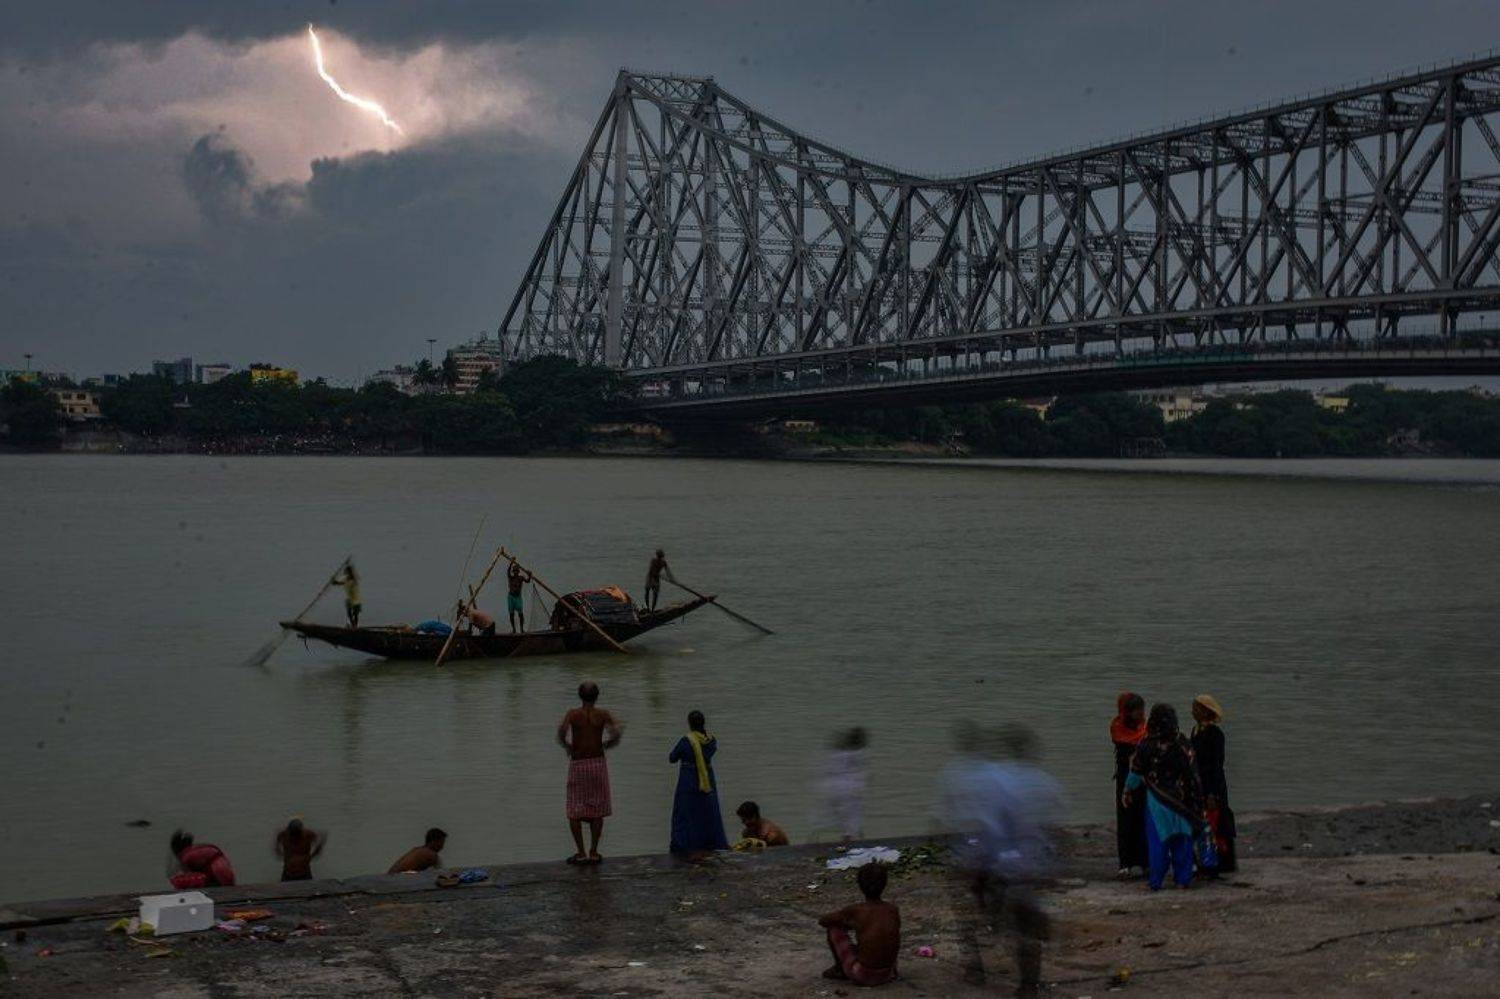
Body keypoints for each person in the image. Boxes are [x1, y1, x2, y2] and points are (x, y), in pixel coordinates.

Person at [941, 723, 1062, 994]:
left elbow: (992, 827)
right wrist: (1053, 866)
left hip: (1005, 865)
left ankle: (980, 967)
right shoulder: (1046, 782)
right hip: (1034, 865)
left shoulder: (997, 781)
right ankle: (1028, 983)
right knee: (1026, 926)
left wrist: (977, 862)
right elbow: (1056, 828)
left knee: (993, 918)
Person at [1123, 704, 1205, 891]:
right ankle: (1182, 881)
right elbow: (1193, 774)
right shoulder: (1183, 743)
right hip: (1183, 802)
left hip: (1157, 803)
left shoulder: (1147, 745)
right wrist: (1198, 802)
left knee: (1158, 843)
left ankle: (1156, 882)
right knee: (1183, 841)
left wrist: (1127, 790)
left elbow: (1136, 771)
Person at [557, 681, 622, 864]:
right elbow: (616, 733)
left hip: (578, 763)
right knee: (597, 808)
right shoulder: (602, 714)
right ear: (597, 696)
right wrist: (608, 744)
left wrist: (568, 746)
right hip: (597, 763)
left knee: (574, 810)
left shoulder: (573, 714)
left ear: (580, 696)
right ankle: (593, 852)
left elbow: (561, 732)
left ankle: (581, 853)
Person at [817, 861, 900, 987]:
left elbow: (823, 921)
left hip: (863, 975)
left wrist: (848, 923)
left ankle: (840, 970)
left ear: (860, 885)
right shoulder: (892, 909)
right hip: (888, 973)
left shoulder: (856, 910)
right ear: (885, 884)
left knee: (834, 928)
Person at [668, 710, 728, 856]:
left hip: (689, 779)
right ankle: (710, 843)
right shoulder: (711, 741)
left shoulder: (687, 741)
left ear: (689, 724)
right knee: (708, 811)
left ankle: (684, 844)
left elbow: (672, 757)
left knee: (685, 812)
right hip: (707, 779)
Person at [1191, 694, 1237, 874]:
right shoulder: (1195, 731)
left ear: (1205, 711)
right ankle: (1207, 859)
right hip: (1200, 782)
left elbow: (1217, 764)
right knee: (1205, 821)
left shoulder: (1215, 734)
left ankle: (1223, 862)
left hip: (1213, 783)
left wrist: (1212, 793)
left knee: (1218, 821)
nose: (1193, 711)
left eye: (1196, 708)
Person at [1110, 692, 1149, 877]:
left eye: (1142, 709)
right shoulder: (1117, 727)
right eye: (1137, 710)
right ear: (1127, 712)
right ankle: (1125, 863)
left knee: (1143, 817)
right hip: (1125, 776)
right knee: (1125, 818)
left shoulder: (1146, 727)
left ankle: (1143, 861)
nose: (1141, 713)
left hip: (1143, 777)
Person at [820, 726, 869, 843]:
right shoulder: (858, 754)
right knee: (852, 817)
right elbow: (859, 773)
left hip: (835, 787)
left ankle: (848, 837)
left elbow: (829, 770)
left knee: (843, 817)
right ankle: (850, 839)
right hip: (850, 788)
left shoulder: (837, 754)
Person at [169, 830, 236, 889]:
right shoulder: (196, 849)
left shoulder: (186, 857)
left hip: (218, 872)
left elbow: (191, 877)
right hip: (224, 869)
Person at [274, 817, 326, 882]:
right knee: (286, 887)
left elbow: (319, 840)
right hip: (288, 872)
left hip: (304, 872)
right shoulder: (283, 835)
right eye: (292, 834)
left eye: (295, 835)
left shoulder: (308, 835)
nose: (294, 837)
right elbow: (277, 849)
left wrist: (310, 857)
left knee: (306, 887)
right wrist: (284, 856)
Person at [332, 563, 361, 627]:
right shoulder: (345, 579)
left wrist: (352, 567)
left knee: (355, 614)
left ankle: (354, 626)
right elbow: (338, 583)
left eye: (348, 573)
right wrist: (333, 581)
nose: (347, 574)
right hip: (349, 600)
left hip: (356, 600)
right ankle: (353, 625)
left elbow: (355, 578)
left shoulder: (354, 580)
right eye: (346, 573)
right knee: (349, 613)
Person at [506, 563, 531, 633]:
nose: (515, 572)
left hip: (518, 598)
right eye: (514, 571)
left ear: (518, 572)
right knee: (511, 614)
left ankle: (521, 629)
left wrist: (529, 575)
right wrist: (511, 563)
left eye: (516, 571)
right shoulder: (511, 577)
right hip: (511, 597)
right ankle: (514, 629)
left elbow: (527, 581)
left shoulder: (520, 578)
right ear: (513, 572)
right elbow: (508, 572)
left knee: (520, 614)